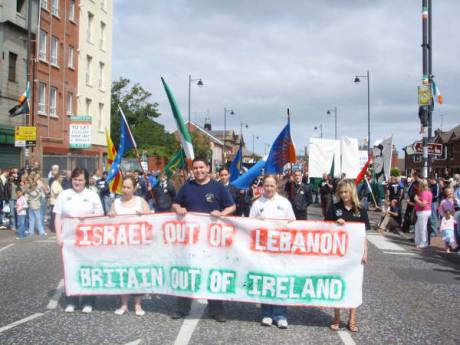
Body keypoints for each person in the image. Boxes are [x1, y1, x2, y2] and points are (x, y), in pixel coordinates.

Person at [170, 158, 236, 322]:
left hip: (211, 241)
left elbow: (232, 206)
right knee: (188, 272)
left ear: (208, 168)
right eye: (196, 168)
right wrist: (179, 208)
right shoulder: (187, 187)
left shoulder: (218, 187)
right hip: (191, 241)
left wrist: (222, 214)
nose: (198, 170)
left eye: (202, 167)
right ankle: (182, 308)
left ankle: (216, 310)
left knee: (213, 273)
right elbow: (175, 204)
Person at [53, 167, 104, 313]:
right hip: (69, 239)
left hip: (87, 238)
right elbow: (57, 216)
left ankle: (88, 301)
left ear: (86, 180)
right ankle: (72, 300)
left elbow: (100, 213)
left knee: (88, 268)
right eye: (75, 179)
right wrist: (58, 236)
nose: (77, 182)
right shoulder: (64, 194)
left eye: (80, 179)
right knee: (71, 269)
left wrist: (87, 216)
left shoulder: (92, 194)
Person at [250, 174, 295, 329]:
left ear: (277, 186)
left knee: (280, 281)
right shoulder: (257, 203)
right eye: (266, 185)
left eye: (272, 185)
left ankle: (281, 314)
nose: (269, 188)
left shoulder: (285, 203)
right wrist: (257, 222)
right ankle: (267, 313)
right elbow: (249, 226)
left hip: (281, 249)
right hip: (263, 250)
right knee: (266, 281)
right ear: (262, 186)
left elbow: (293, 223)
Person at [325, 179, 369, 333]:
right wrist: (335, 224)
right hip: (338, 253)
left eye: (346, 192)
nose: (344, 195)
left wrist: (365, 252)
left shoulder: (360, 209)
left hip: (354, 254)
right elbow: (325, 228)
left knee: (354, 285)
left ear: (352, 192)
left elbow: (363, 234)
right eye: (341, 192)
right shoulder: (334, 208)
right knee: (336, 284)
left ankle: (352, 319)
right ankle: (336, 317)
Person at [111, 176, 150, 316]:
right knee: (122, 274)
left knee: (137, 274)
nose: (125, 190)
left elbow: (152, 218)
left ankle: (138, 305)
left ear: (134, 189)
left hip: (137, 245)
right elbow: (109, 221)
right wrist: (111, 215)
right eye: (124, 187)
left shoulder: (141, 201)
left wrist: (145, 214)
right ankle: (123, 304)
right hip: (121, 246)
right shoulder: (115, 202)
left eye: (128, 187)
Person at [413, 180, 433, 249]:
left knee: (422, 228)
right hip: (425, 211)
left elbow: (423, 204)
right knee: (418, 227)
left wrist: (416, 199)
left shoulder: (424, 193)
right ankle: (419, 241)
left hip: (423, 212)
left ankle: (423, 242)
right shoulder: (429, 192)